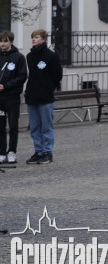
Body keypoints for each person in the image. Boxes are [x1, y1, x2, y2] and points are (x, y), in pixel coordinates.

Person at [24, 29, 63, 165]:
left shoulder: (51, 56)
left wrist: (47, 88)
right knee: (34, 127)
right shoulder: (29, 56)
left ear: (44, 39)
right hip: (32, 96)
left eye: (37, 37)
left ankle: (47, 152)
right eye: (33, 37)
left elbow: (57, 75)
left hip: (45, 97)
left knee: (46, 126)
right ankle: (38, 151)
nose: (34, 39)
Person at [0, 31, 28, 164]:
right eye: (0, 41)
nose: (2, 44)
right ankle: (1, 152)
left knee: (13, 125)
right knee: (0, 126)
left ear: (11, 42)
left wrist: (6, 86)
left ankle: (12, 151)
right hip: (0, 98)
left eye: (5, 41)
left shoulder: (19, 57)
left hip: (12, 97)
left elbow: (22, 76)